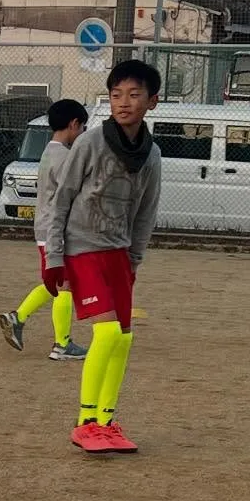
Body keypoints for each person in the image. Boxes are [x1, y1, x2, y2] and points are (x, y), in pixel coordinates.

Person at [44, 60, 163, 455]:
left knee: (124, 339)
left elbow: (145, 213)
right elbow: (61, 200)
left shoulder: (151, 155)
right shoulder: (89, 142)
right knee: (108, 333)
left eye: (134, 95)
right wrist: (54, 256)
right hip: (82, 248)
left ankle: (107, 421)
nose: (123, 102)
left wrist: (134, 260)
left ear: (152, 102)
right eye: (116, 95)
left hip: (119, 254)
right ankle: (86, 422)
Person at [0, 98, 89, 361]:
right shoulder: (64, 157)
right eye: (82, 128)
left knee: (55, 284)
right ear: (73, 124)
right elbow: (76, 194)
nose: (82, 133)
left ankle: (18, 318)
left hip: (47, 229)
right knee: (64, 285)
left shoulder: (50, 151)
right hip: (55, 230)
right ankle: (62, 344)